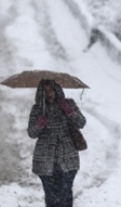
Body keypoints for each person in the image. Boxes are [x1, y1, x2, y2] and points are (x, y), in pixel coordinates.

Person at [27, 79, 86, 207]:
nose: (49, 94)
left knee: (65, 194)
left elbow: (81, 123)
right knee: (51, 197)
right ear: (40, 93)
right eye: (45, 91)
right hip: (45, 160)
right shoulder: (37, 109)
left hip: (68, 158)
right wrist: (39, 124)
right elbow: (31, 133)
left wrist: (70, 112)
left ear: (57, 90)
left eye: (51, 90)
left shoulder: (68, 104)